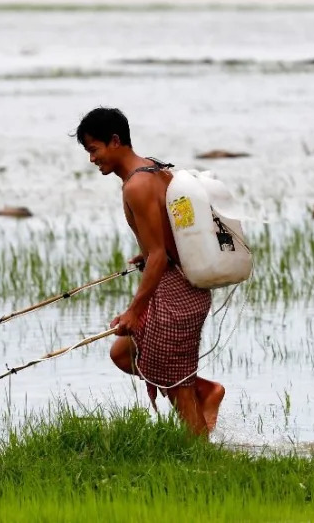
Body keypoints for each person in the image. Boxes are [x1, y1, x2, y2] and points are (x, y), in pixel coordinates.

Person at [73, 107, 225, 437]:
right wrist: (148, 252)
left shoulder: (136, 186)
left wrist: (134, 311)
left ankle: (200, 457)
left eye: (94, 150)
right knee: (124, 353)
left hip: (178, 291)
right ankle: (206, 390)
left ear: (115, 141)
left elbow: (159, 256)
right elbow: (168, 237)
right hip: (178, 284)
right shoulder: (157, 170)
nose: (92, 159)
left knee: (178, 384)